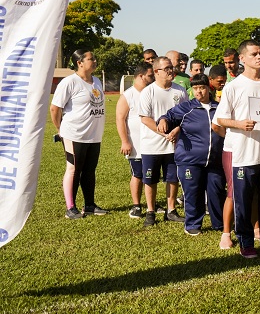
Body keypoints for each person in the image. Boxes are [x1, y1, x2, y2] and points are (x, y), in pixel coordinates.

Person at [213, 40, 260, 258]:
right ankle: (245, 242)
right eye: (254, 54)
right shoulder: (233, 86)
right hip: (243, 154)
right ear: (242, 59)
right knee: (244, 200)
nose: (259, 57)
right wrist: (239, 124)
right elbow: (220, 119)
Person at [159, 74, 225, 236]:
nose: (198, 92)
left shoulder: (219, 108)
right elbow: (168, 116)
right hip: (189, 160)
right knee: (192, 192)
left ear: (208, 88)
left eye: (201, 88)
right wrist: (163, 120)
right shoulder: (186, 108)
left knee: (216, 192)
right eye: (195, 88)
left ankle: (219, 224)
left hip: (215, 160)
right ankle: (193, 224)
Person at [50, 50, 107, 219]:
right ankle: (70, 208)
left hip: (94, 135)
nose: (95, 61)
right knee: (74, 169)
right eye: (91, 59)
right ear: (79, 63)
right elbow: (55, 108)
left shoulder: (96, 81)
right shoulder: (69, 82)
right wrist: (60, 130)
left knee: (90, 170)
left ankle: (89, 205)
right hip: (74, 134)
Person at [139, 56, 187, 226]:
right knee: (150, 179)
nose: (170, 71)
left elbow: (186, 116)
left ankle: (171, 210)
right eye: (166, 68)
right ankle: (150, 212)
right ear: (156, 71)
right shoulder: (148, 92)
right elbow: (145, 118)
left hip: (174, 145)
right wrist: (163, 133)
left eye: (171, 68)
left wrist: (176, 130)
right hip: (151, 145)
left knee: (172, 178)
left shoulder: (180, 91)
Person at [116, 61, 155, 219]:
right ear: (141, 76)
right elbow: (120, 119)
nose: (153, 78)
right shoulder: (128, 95)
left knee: (150, 174)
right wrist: (125, 141)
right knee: (138, 174)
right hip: (136, 143)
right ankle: (136, 205)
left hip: (152, 142)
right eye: (150, 75)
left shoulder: (151, 91)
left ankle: (151, 204)